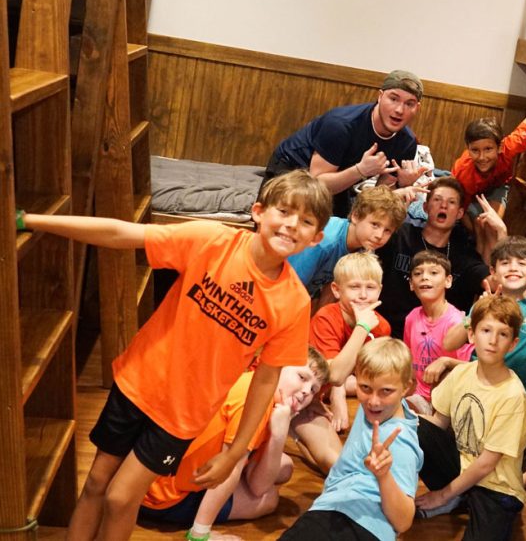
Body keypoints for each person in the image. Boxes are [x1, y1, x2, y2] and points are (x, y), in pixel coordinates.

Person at [15, 170, 329, 541]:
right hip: (138, 384)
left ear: (317, 237)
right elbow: (121, 233)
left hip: (183, 414)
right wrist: (29, 220)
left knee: (120, 497)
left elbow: (266, 378)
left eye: (306, 221)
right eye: (284, 211)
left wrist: (235, 452)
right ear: (258, 211)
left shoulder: (294, 301)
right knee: (97, 483)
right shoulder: (212, 241)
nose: (292, 225)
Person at [139, 350, 325, 540]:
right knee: (268, 500)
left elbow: (256, 483)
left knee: (284, 466)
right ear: (279, 365)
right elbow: (233, 470)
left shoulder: (255, 384)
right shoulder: (255, 404)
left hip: (155, 474)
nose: (306, 391)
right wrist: (201, 534)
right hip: (162, 496)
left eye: (313, 390)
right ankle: (198, 529)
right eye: (302, 377)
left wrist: (279, 434)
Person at [442, 235, 526, 486]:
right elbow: (450, 343)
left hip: (520, 411)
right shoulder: (484, 306)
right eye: (505, 263)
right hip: (477, 401)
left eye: (522, 263)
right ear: (493, 273)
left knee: (507, 481)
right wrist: (475, 313)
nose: (514, 267)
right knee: (467, 468)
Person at [415, 295, 526, 541]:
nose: (492, 341)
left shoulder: (512, 395)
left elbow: (487, 464)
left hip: (496, 487)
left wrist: (442, 494)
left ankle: (455, 497)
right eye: (486, 330)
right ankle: (457, 496)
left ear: (513, 344)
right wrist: (403, 418)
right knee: (410, 424)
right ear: (471, 335)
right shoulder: (462, 373)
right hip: (462, 469)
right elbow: (438, 424)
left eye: (503, 334)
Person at [280, 338, 422, 541]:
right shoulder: (381, 411)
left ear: (406, 388)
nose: (373, 401)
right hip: (333, 510)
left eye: (386, 391)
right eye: (365, 388)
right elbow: (332, 372)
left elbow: (403, 521)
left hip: (357, 523)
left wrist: (383, 476)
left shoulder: (400, 442)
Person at [265, 70, 428, 216]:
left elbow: (379, 198)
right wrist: (360, 170)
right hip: (294, 168)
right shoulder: (340, 124)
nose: (399, 110)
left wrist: (402, 183)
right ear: (380, 96)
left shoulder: (407, 142)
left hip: (340, 178)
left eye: (409, 104)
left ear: (417, 108)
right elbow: (316, 184)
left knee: (344, 233)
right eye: (393, 99)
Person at [376, 178, 505, 337]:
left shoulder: (464, 254)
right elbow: (364, 233)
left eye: (451, 202)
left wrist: (501, 233)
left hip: (440, 343)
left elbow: (496, 284)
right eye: (437, 200)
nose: (443, 205)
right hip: (387, 333)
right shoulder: (400, 235)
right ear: (425, 207)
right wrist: (392, 200)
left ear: (459, 213)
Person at [309, 252, 392, 432]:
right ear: (337, 290)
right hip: (306, 388)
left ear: (380, 290)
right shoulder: (325, 318)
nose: (363, 295)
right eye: (354, 287)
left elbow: (376, 377)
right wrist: (362, 327)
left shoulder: (382, 325)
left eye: (370, 287)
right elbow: (334, 376)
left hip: (342, 382)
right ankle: (337, 392)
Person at [289, 184, 407, 304]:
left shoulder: (364, 246)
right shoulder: (325, 242)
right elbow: (289, 287)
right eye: (375, 225)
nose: (379, 235)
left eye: (387, 230)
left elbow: (331, 292)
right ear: (355, 216)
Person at [403, 250, 474, 414]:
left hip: (447, 402)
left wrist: (445, 362)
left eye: (433, 273)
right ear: (411, 284)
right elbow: (409, 364)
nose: (425, 277)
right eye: (418, 273)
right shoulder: (412, 317)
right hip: (417, 397)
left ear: (448, 281)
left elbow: (468, 369)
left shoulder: (457, 321)